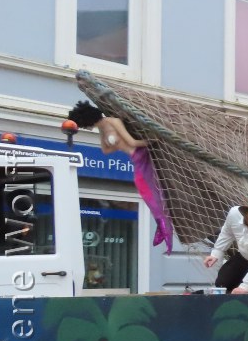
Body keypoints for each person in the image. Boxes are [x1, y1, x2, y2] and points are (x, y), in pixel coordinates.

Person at [67, 100, 174, 254]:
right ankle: (161, 223)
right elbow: (105, 151)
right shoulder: (103, 128)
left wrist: (153, 141)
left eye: (84, 124)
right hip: (135, 158)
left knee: (149, 191)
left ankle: (164, 226)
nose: (86, 127)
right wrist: (107, 138)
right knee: (146, 192)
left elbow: (132, 141)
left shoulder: (113, 121)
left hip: (141, 155)